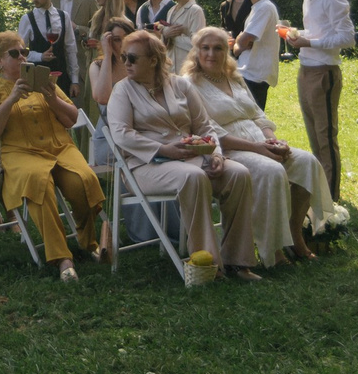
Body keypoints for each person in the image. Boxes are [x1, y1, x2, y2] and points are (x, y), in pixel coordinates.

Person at [106, 29, 261, 280]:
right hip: (145, 166)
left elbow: (204, 126)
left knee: (238, 174)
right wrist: (163, 149)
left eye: (132, 58)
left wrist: (217, 154)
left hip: (192, 157)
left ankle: (238, 261)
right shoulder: (122, 90)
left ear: (153, 60)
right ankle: (206, 264)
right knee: (194, 177)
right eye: (124, 57)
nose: (126, 63)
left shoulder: (179, 84)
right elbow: (121, 134)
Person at [0, 33, 103, 282]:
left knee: (83, 180)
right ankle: (62, 258)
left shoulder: (44, 82)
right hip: (19, 153)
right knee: (37, 184)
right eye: (14, 53)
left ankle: (88, 241)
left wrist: (51, 96)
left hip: (59, 147)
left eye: (24, 51)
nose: (22, 57)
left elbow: (71, 118)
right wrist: (11, 99)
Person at [183, 26, 314, 265]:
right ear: (196, 52)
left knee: (306, 161)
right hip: (229, 150)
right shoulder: (188, 84)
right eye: (205, 48)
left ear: (227, 52)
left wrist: (272, 140)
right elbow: (210, 131)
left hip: (259, 142)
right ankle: (272, 249)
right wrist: (259, 149)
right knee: (271, 171)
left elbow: (257, 115)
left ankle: (295, 235)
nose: (211, 53)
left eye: (218, 48)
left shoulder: (234, 77)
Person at [281, 0, 353, 208]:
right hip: (306, 70)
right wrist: (296, 34)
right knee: (314, 137)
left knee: (325, 137)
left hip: (324, 72)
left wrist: (307, 43)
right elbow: (318, 31)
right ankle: (321, 193)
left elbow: (347, 38)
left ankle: (332, 201)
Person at [231, 0, 282, 109]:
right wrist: (239, 42)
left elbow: (244, 40)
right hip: (249, 74)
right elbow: (243, 41)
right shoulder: (257, 7)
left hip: (255, 75)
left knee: (254, 124)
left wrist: (236, 46)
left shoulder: (264, 7)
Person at [16, 0, 77, 93]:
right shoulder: (27, 19)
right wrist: (40, 56)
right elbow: (20, 53)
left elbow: (71, 48)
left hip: (62, 78)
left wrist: (75, 80)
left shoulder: (63, 16)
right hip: (37, 79)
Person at [48, 0, 96, 100]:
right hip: (54, 64)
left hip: (80, 65)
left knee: (79, 114)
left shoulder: (89, 0)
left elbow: (96, 32)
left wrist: (77, 28)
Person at [87, 18, 134, 106]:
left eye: (127, 38)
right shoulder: (97, 66)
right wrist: (107, 55)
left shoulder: (141, 63)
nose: (123, 43)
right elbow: (102, 98)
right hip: (109, 118)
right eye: (117, 40)